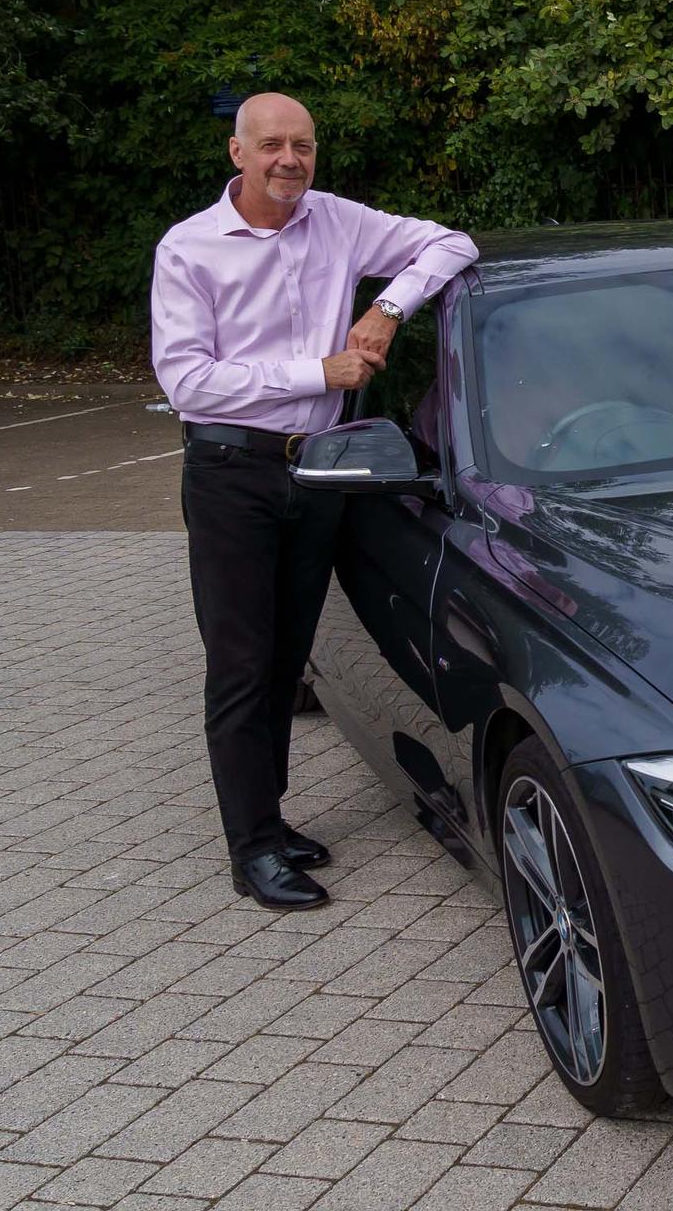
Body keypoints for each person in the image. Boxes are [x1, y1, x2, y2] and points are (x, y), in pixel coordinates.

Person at [151, 93, 476, 910]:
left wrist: (386, 307)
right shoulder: (189, 249)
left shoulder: (335, 220)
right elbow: (186, 380)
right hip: (232, 474)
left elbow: (450, 243)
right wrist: (316, 373)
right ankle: (252, 846)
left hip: (320, 469)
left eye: (302, 146)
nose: (288, 160)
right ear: (237, 153)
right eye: (271, 146)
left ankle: (272, 817)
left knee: (291, 652)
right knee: (240, 665)